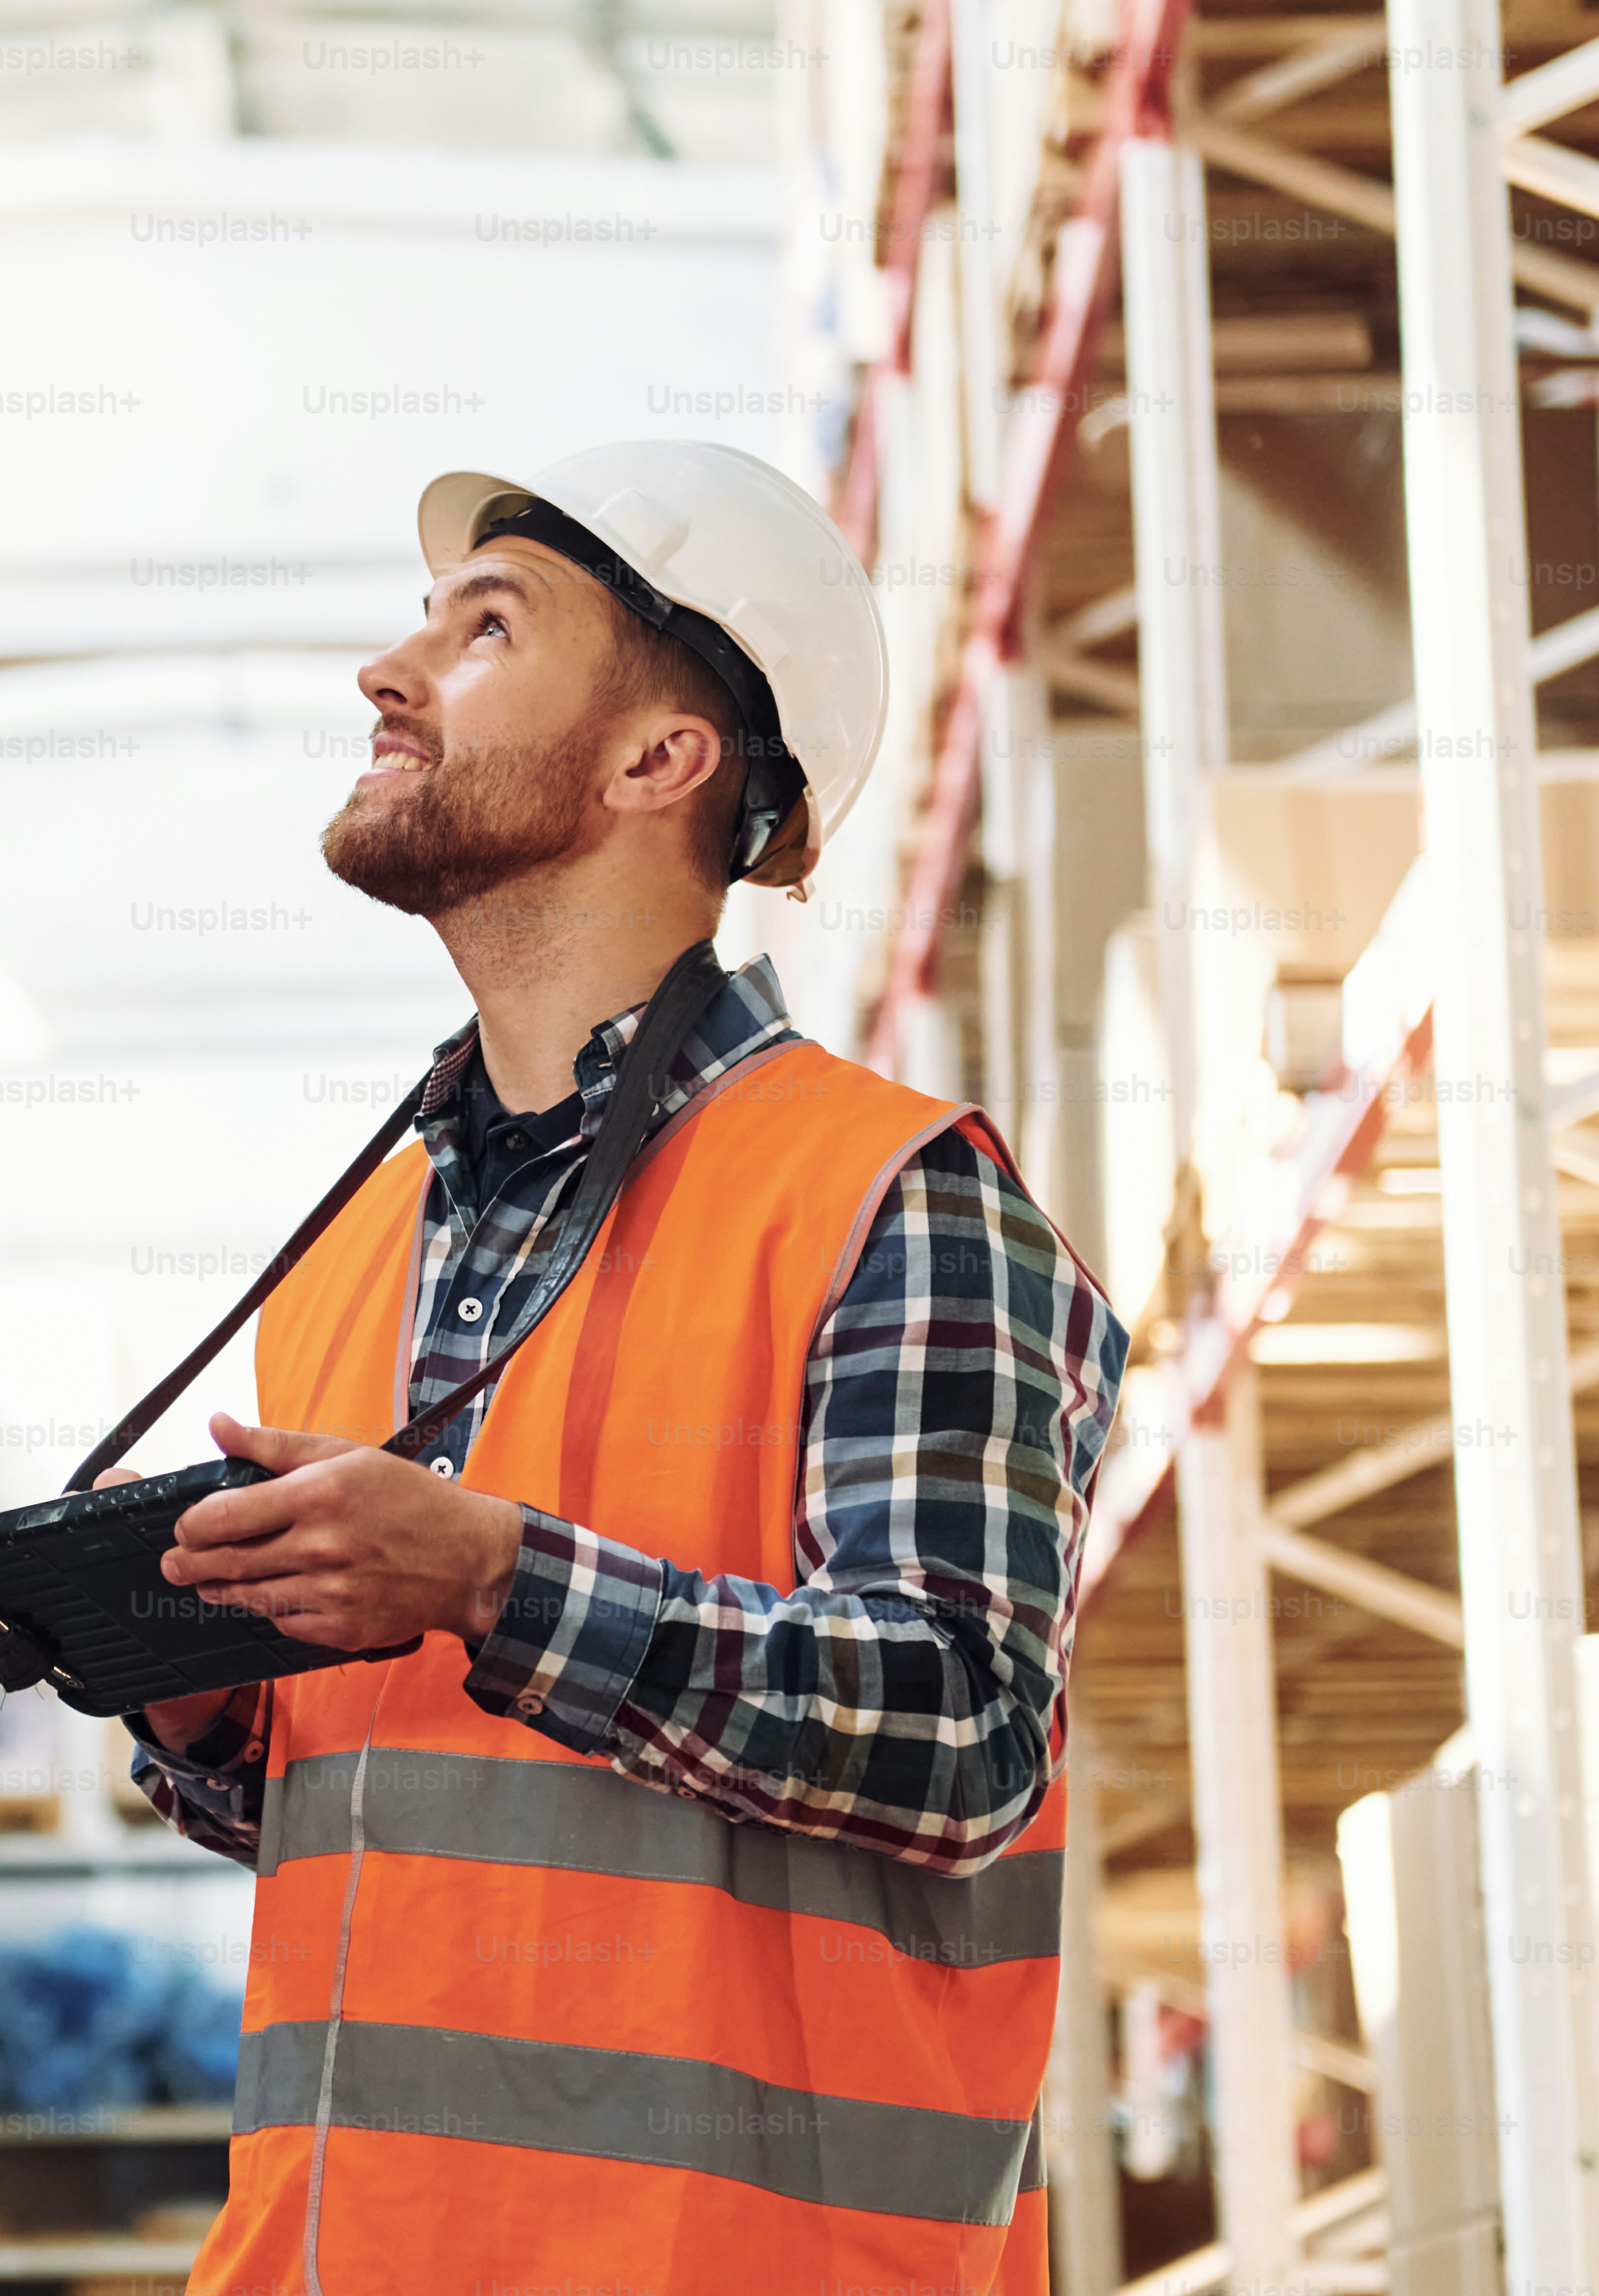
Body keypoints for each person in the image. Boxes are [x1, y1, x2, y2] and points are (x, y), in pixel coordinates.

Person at [113, 442, 1128, 2296]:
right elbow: (400, 1813)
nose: (387, 673)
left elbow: (965, 1726)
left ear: (664, 761)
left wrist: (493, 1574)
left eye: (484, 629)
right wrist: (201, 1718)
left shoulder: (896, 1199)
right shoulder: (353, 1258)